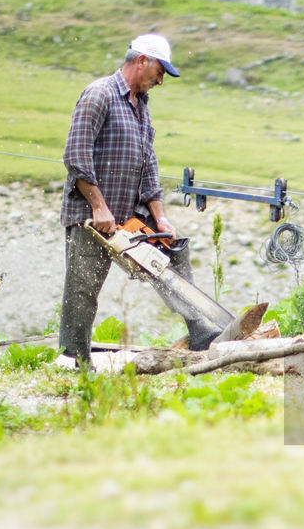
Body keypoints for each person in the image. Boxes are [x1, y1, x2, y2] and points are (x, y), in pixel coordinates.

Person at [58, 34, 217, 365]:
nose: (160, 81)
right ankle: (73, 359)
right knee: (83, 291)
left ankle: (201, 329)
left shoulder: (141, 107)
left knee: (172, 252)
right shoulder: (99, 95)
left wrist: (159, 217)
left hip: (129, 214)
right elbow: (76, 154)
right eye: (159, 71)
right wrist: (99, 206)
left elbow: (148, 165)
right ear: (142, 60)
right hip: (91, 215)